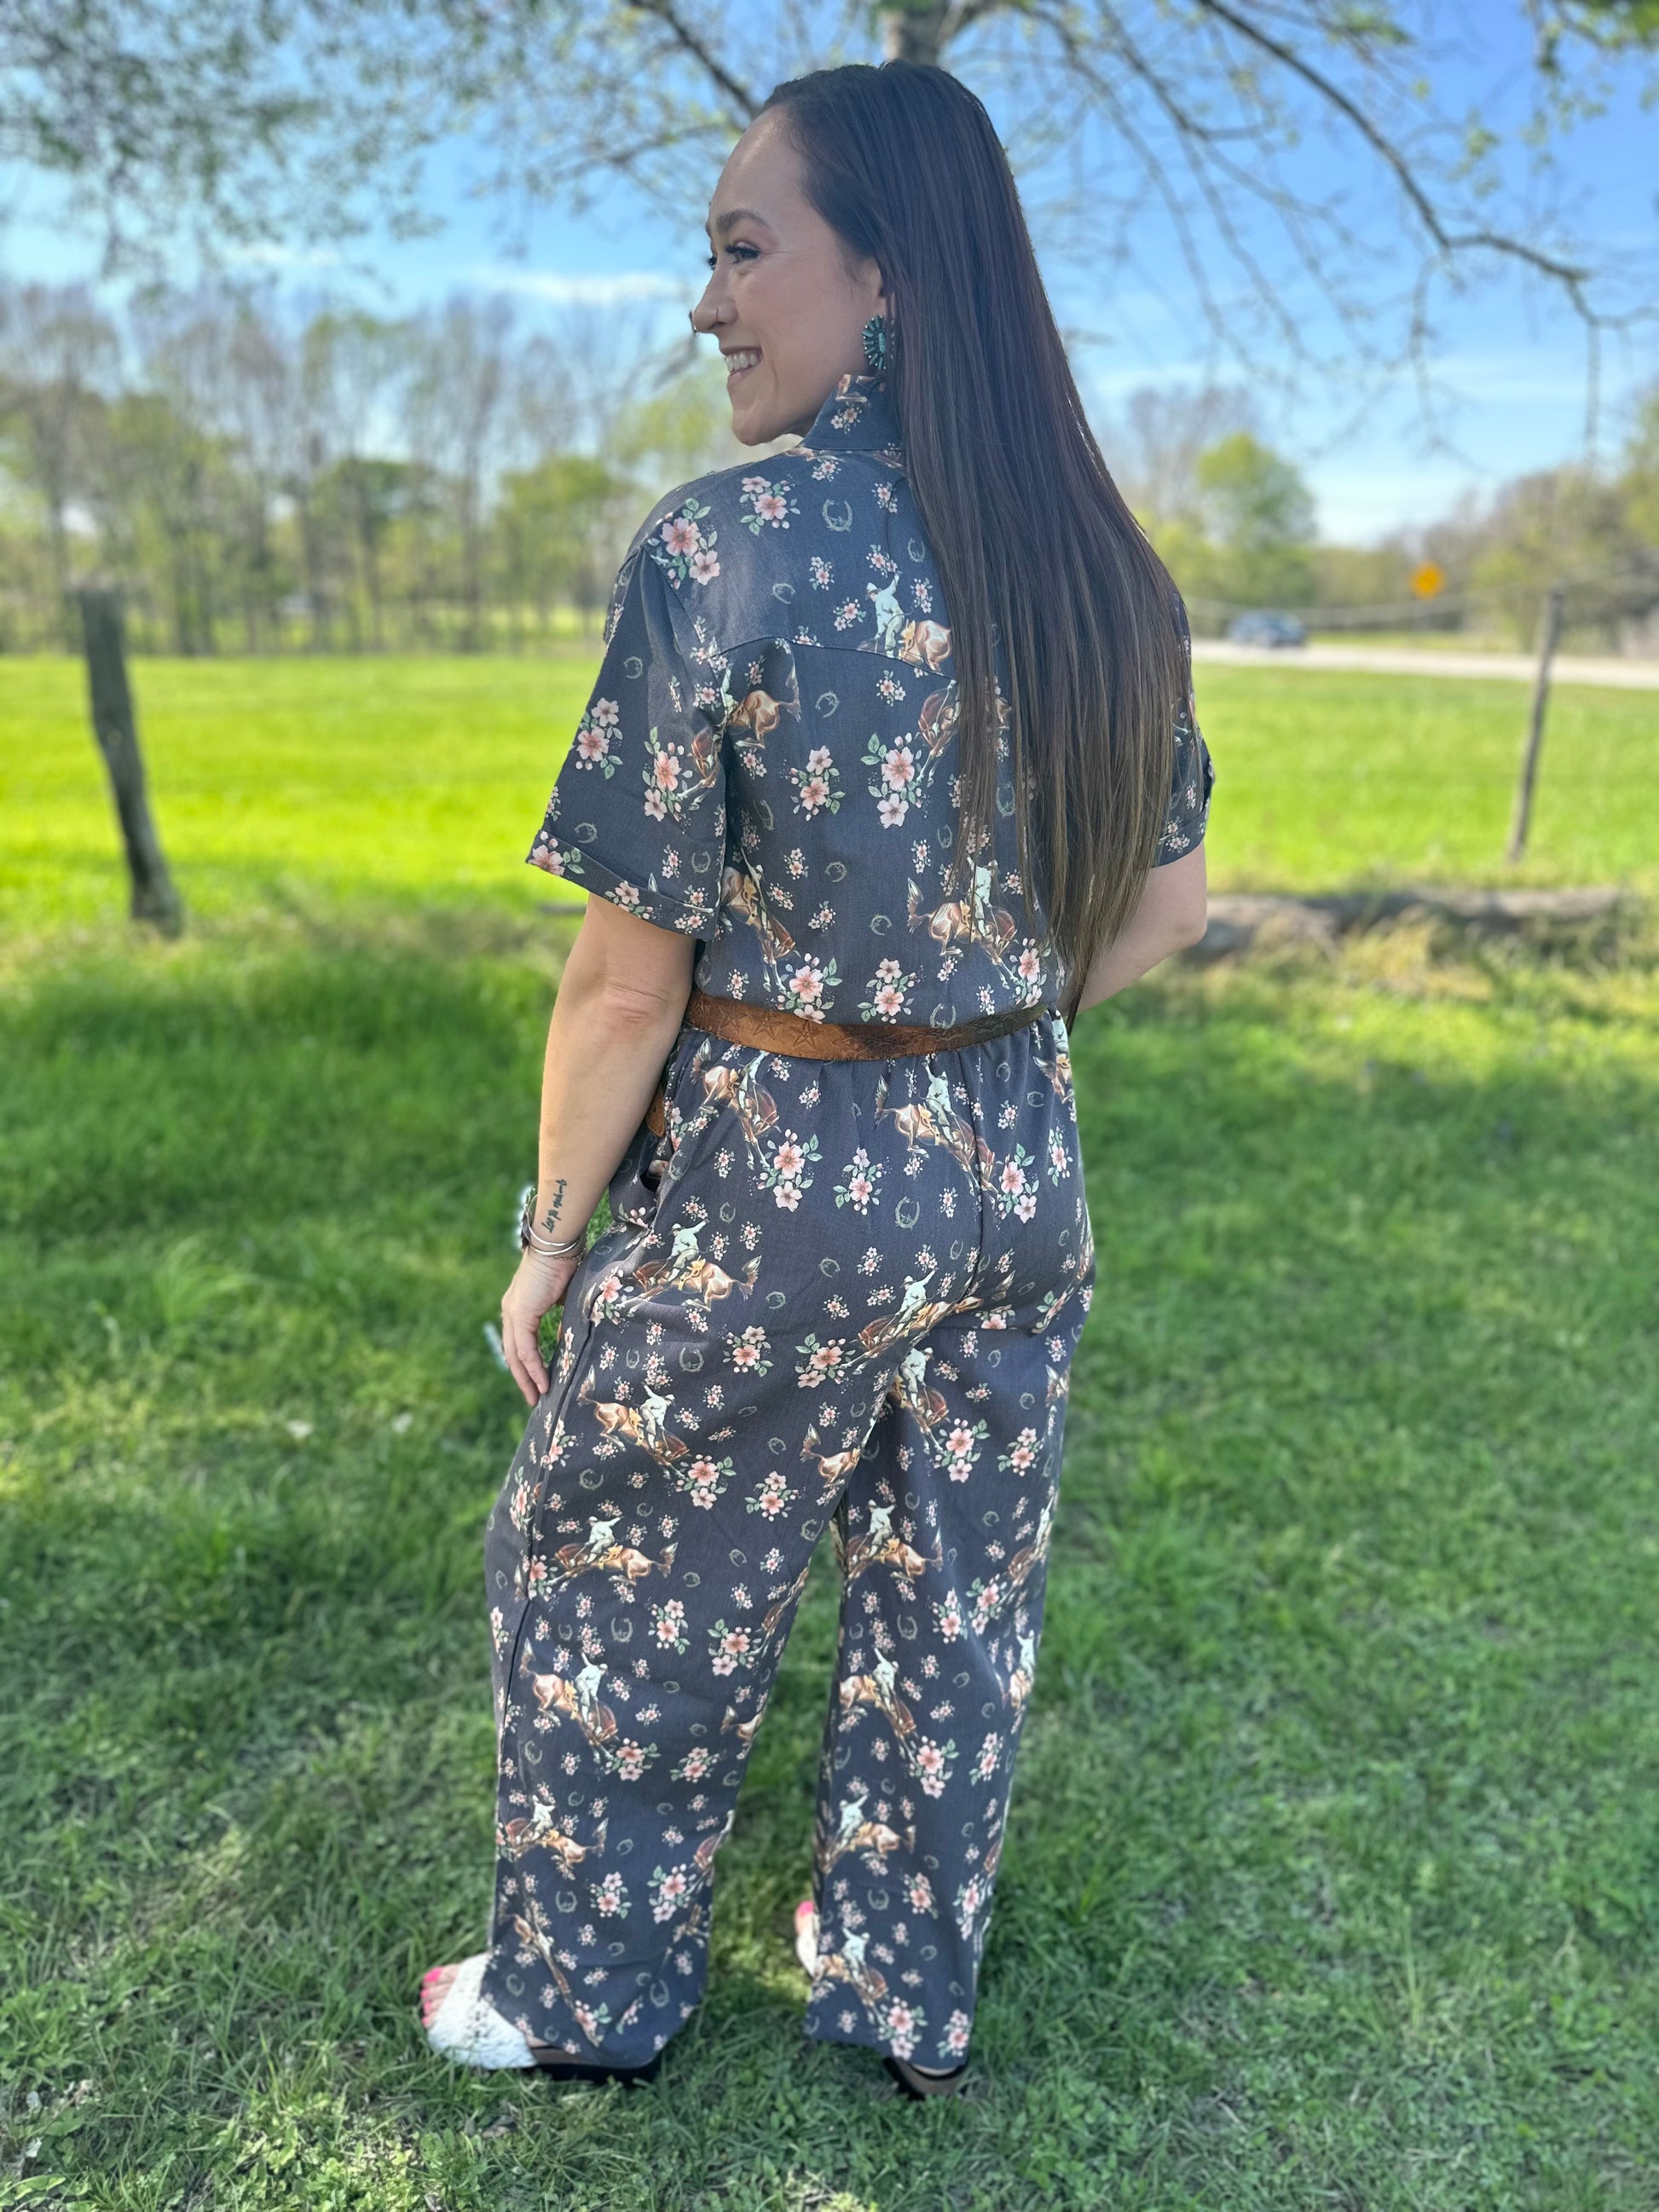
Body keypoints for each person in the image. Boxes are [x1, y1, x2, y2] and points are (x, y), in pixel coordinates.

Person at [419, 56, 1212, 2099]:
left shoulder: (729, 547)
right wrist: (972, 1022)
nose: (708, 304)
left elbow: (624, 980)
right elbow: (1169, 909)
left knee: (617, 1553)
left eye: (742, 249)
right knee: (956, 1588)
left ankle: (582, 1991)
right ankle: (894, 1971)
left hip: (781, 1171)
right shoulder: (1105, 567)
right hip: (1016, 1162)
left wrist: (548, 1240)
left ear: (887, 276)